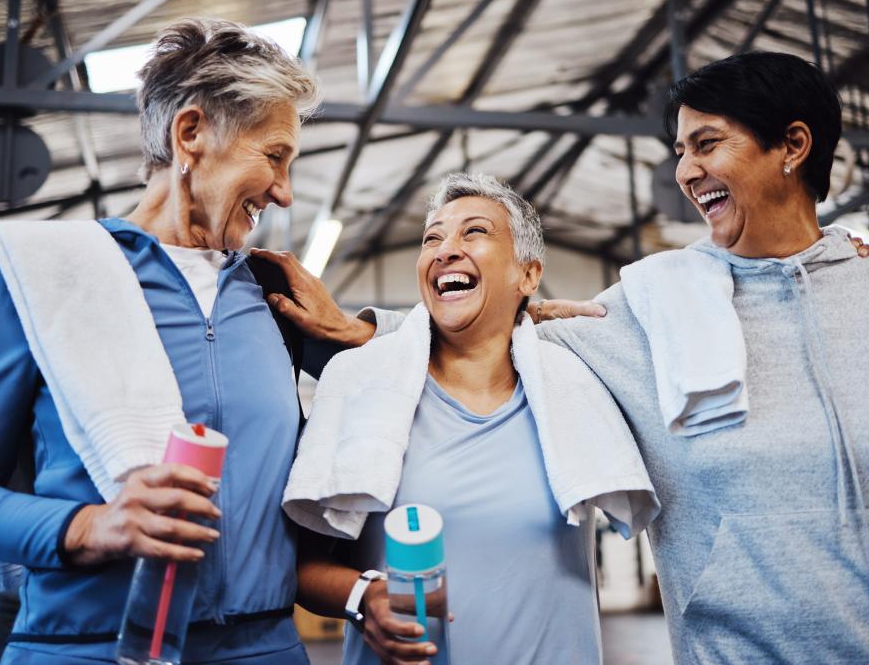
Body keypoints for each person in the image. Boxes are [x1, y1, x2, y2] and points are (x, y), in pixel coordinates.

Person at [265, 52, 869, 663]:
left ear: (793, 145)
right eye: (680, 150)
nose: (685, 171)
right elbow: (495, 330)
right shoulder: (651, 304)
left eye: (707, 144)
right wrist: (359, 331)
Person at [0, 18, 324, 664]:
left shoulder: (276, 294)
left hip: (263, 648)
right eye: (273, 155)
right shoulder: (49, 275)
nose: (283, 191)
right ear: (192, 133)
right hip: (87, 646)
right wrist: (89, 526)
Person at [265, 173, 658, 665]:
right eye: (432, 237)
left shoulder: (577, 386)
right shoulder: (360, 384)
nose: (445, 249)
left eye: (474, 232)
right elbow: (303, 568)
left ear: (529, 275)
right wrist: (363, 596)